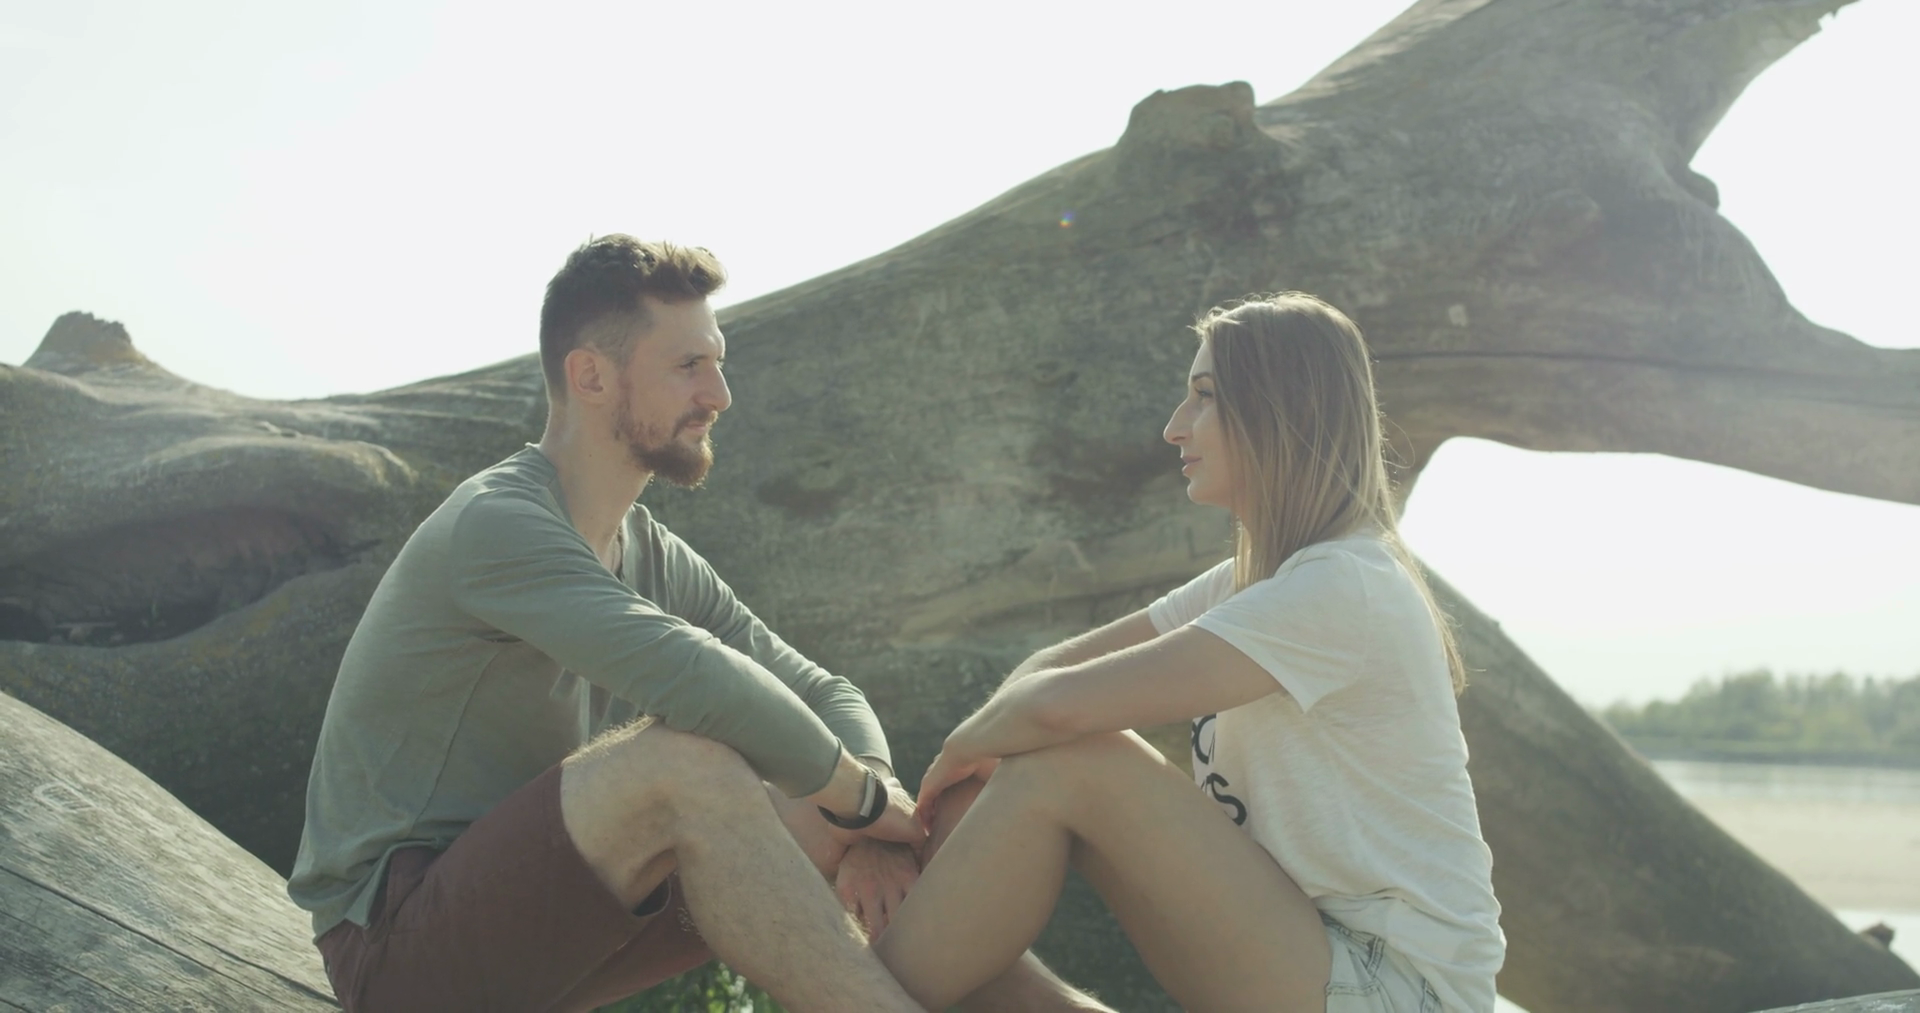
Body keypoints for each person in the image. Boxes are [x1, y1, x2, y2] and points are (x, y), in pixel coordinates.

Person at [287, 235, 931, 1013]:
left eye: (718, 361)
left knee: (909, 824)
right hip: (395, 953)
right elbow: (698, 677)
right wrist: (863, 800)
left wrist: (874, 808)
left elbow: (823, 691)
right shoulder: (497, 523)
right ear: (590, 375)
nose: (720, 393)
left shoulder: (654, 553)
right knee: (686, 763)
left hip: (544, 941)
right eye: (688, 365)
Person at [876, 293, 1506, 1012]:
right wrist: (972, 767)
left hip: (1396, 988)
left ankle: (841, 993)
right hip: (1313, 953)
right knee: (1006, 780)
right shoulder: (1258, 577)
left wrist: (952, 756)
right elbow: (1046, 674)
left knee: (1070, 759)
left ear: (1281, 412)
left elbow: (1056, 708)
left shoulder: (1344, 584)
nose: (1175, 427)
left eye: (1204, 396)